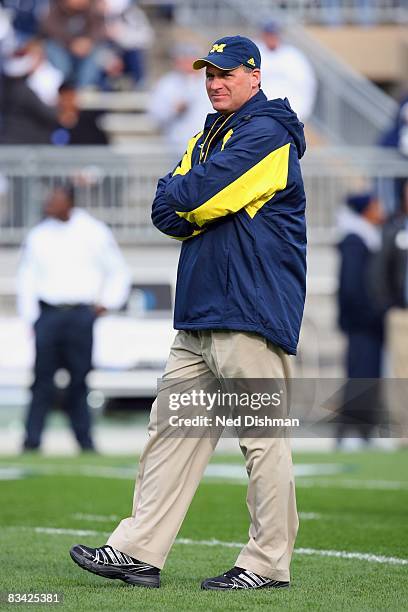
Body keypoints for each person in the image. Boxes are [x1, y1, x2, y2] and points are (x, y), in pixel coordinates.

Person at [70, 35, 306, 590]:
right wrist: (192, 198)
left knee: (262, 442)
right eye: (208, 74)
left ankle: (267, 564)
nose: (215, 81)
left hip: (249, 307)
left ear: (255, 74)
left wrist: (191, 198)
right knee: (169, 434)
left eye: (226, 73)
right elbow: (165, 209)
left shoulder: (269, 133)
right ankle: (137, 552)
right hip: (200, 309)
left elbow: (192, 199)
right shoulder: (209, 134)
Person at [17, 183, 131, 451]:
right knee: (41, 379)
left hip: (81, 314)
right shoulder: (39, 235)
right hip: (48, 314)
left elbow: (118, 270)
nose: (49, 204)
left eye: (55, 199)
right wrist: (31, 318)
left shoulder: (93, 231)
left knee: (79, 379)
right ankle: (32, 440)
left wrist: (107, 303)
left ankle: (85, 440)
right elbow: (27, 278)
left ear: (69, 201)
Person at [336, 192, 386, 446]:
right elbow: (352, 286)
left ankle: (363, 430)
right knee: (360, 375)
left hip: (368, 322)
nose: (380, 209)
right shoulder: (356, 240)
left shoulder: (366, 237)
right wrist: (369, 314)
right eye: (375, 204)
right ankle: (349, 431)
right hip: (361, 323)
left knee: (367, 375)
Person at [372, 179, 408, 444]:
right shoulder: (394, 228)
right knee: (401, 375)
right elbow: (379, 270)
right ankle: (403, 432)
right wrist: (388, 305)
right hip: (401, 313)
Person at [149, 42, 213, 158]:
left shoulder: (210, 80)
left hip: (208, 145)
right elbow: (155, 115)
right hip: (178, 147)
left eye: (190, 58)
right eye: (183, 59)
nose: (187, 63)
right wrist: (173, 110)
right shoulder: (167, 83)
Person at [256, 21, 317, 122]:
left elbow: (307, 84)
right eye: (268, 34)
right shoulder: (255, 54)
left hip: (288, 115)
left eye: (274, 35)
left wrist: (302, 112)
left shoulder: (293, 56)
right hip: (260, 114)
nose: (271, 38)